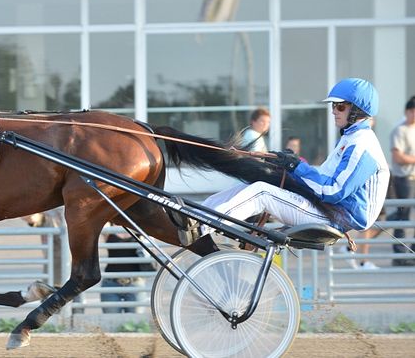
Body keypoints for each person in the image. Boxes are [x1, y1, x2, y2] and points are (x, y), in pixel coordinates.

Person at [188, 78, 389, 243]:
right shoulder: (349, 139)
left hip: (335, 217)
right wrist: (291, 164)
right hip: (326, 208)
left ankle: (202, 226)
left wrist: (297, 167)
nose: (334, 110)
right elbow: (322, 178)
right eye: (334, 105)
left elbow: (332, 191)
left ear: (357, 111)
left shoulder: (362, 145)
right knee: (261, 182)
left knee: (262, 192)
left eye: (340, 106)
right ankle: (195, 214)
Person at [100, 229, 154, 314]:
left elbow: (152, 255)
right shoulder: (110, 227)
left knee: (135, 323)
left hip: (135, 283)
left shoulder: (140, 228)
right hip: (111, 282)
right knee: (111, 320)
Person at [389, 96, 415, 266]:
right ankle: (400, 256)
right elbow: (397, 157)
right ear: (407, 111)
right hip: (404, 179)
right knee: (403, 217)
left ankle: (412, 251)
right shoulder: (400, 130)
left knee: (402, 215)